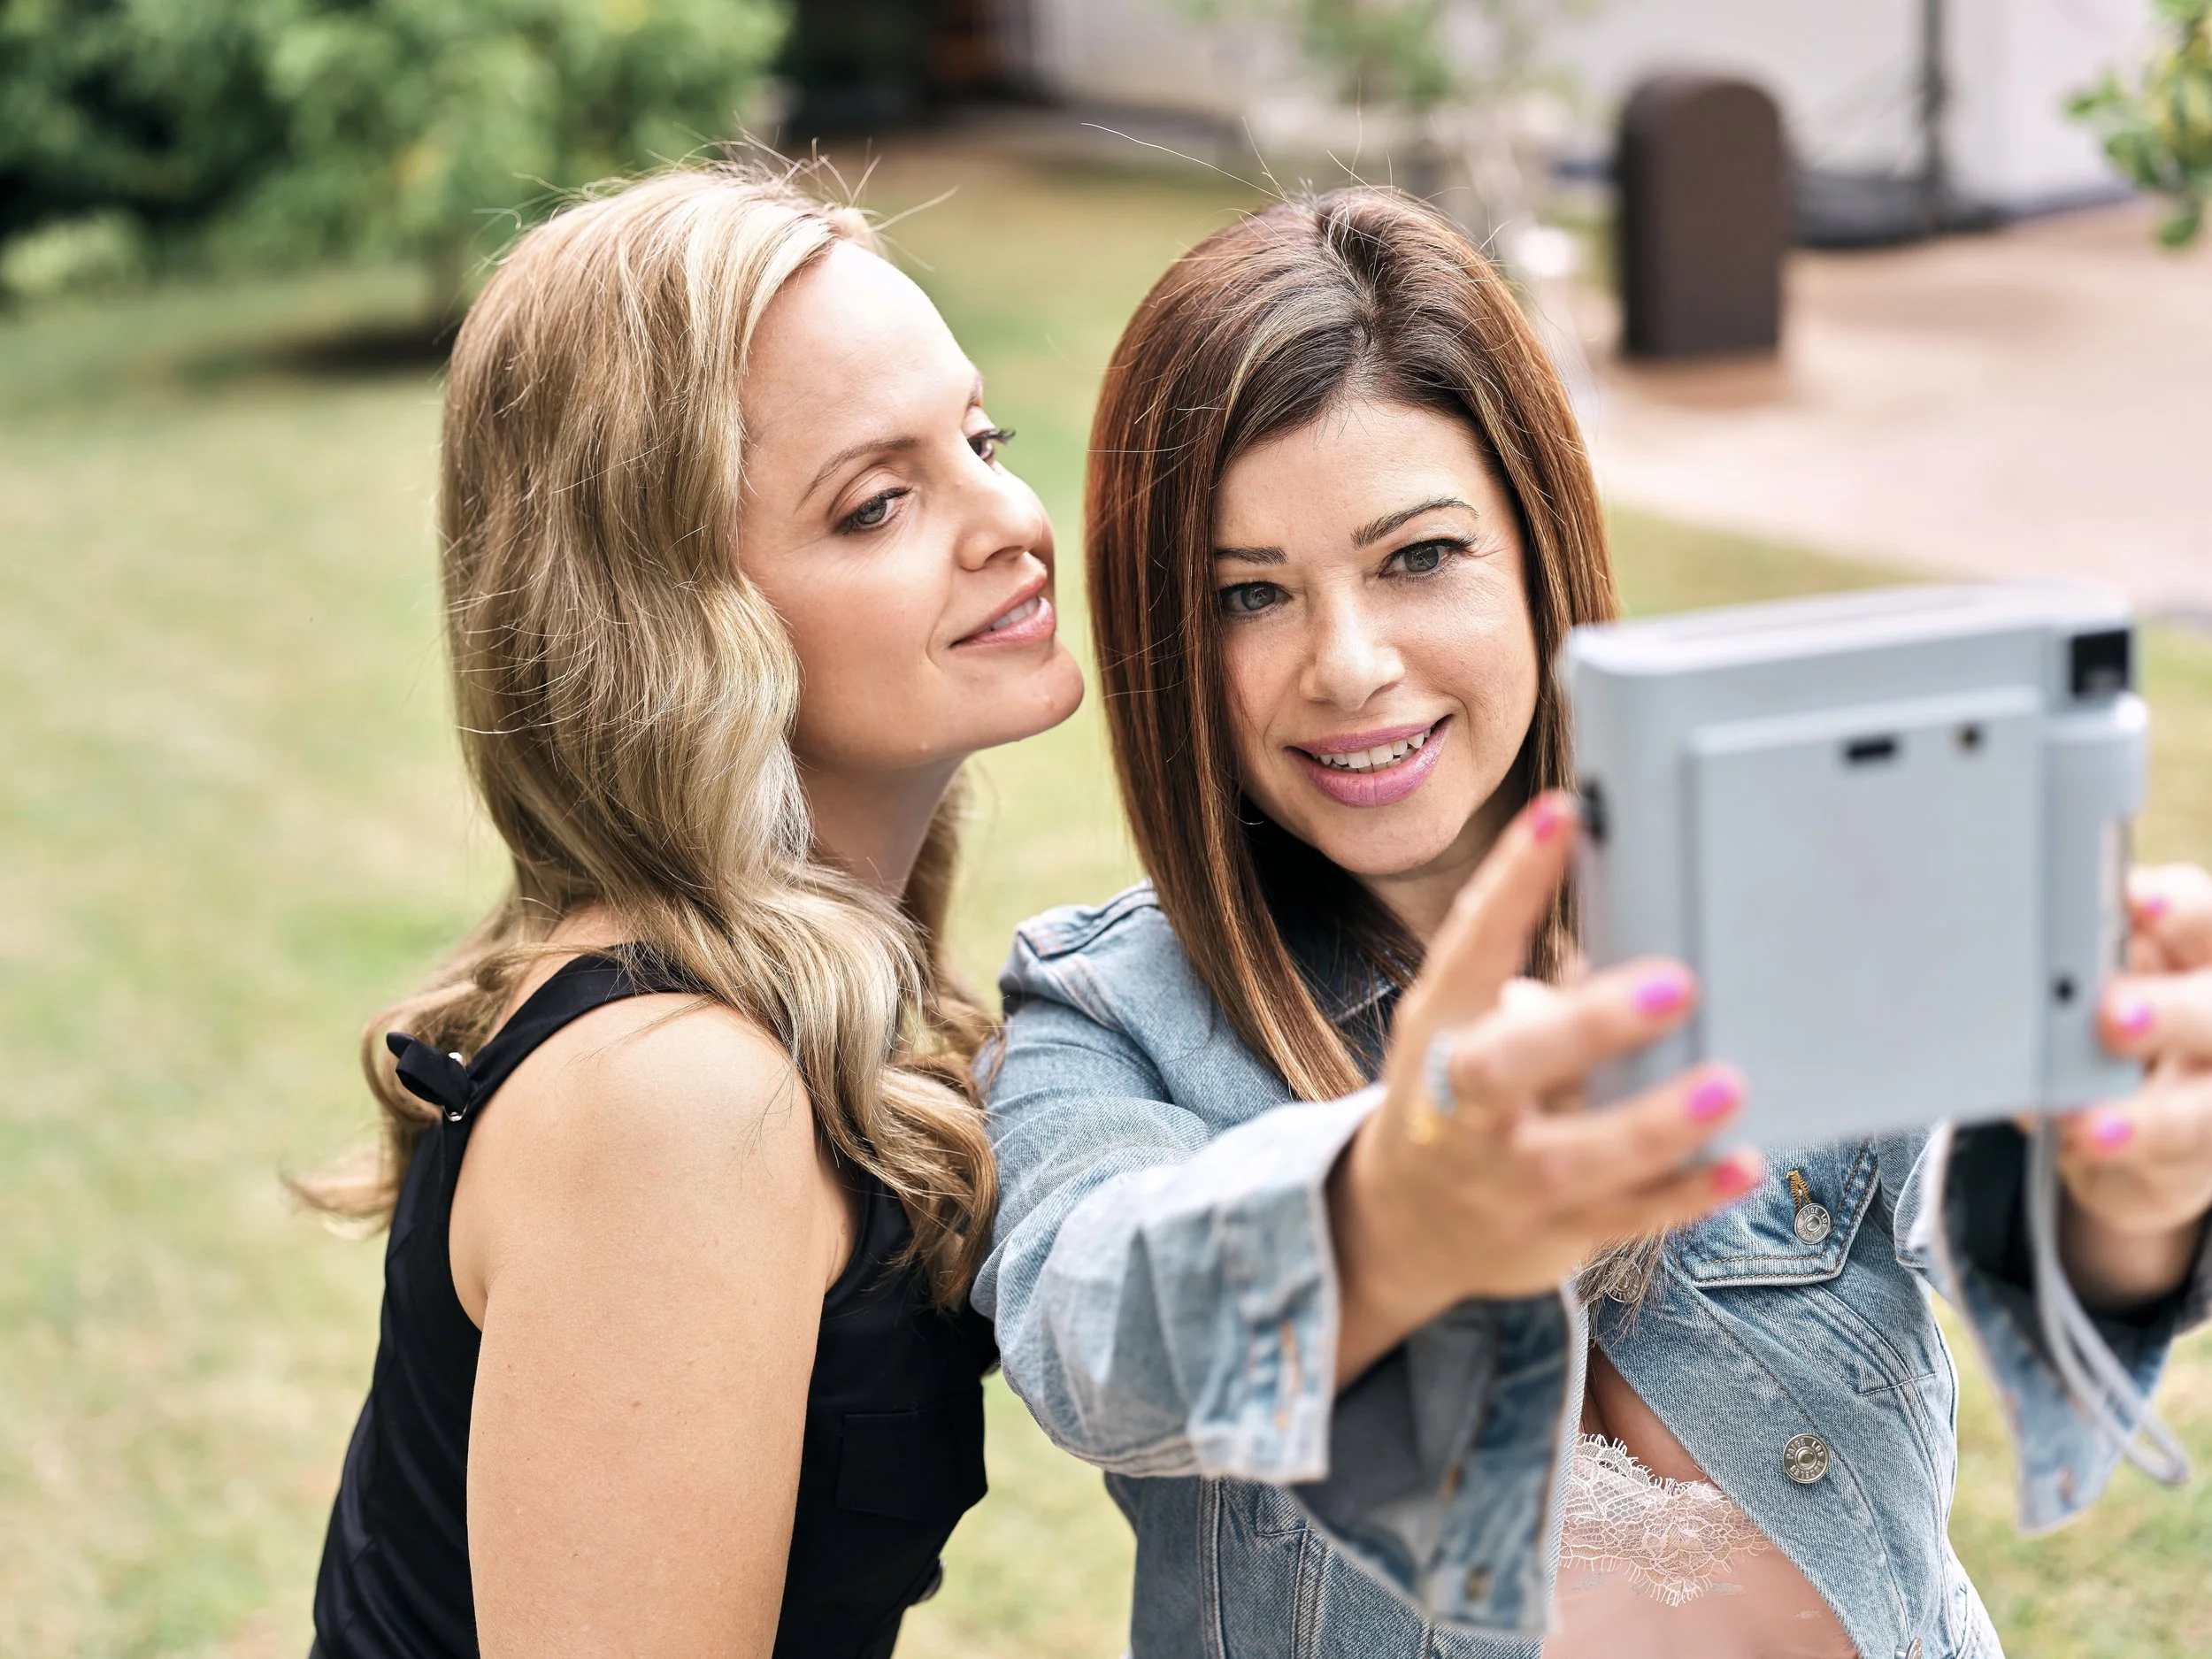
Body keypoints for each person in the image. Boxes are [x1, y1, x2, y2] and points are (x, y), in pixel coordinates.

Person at [978, 187, 2212, 1659]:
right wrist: (1388, 1215)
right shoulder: (1107, 1015)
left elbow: (2014, 1206)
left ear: (1538, 546)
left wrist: (2131, 1196)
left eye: (1419, 556)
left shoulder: (1802, 900)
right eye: (1251, 595)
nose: (1349, 664)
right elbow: (1092, 1338)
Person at [302, 164, 1084, 1659]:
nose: (1009, 518)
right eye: (876, 505)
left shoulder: (773, 1014)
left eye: (981, 439)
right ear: (668, 627)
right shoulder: (678, 1098)